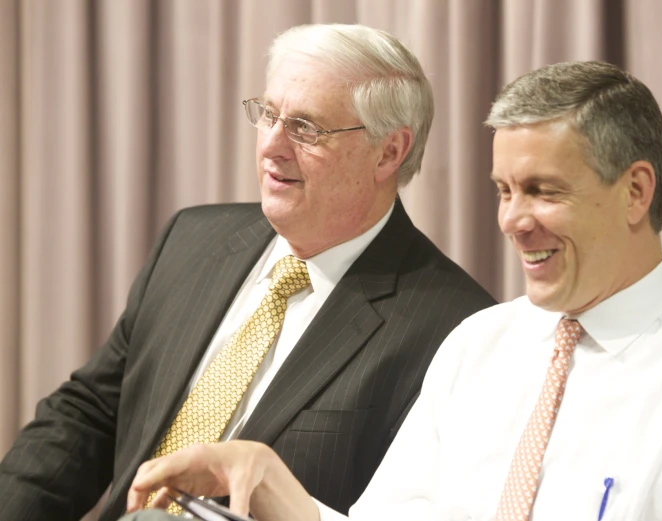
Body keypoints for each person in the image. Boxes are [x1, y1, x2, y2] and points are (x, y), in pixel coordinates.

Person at [122, 60, 662, 521]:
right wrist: (262, 476)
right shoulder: (479, 344)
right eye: (503, 190)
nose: (513, 221)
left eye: (543, 191)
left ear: (636, 191)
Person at [0, 24, 496, 521]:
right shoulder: (193, 239)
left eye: (306, 128)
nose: (272, 146)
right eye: (268, 115)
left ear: (390, 151)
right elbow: (89, 414)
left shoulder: (458, 329)